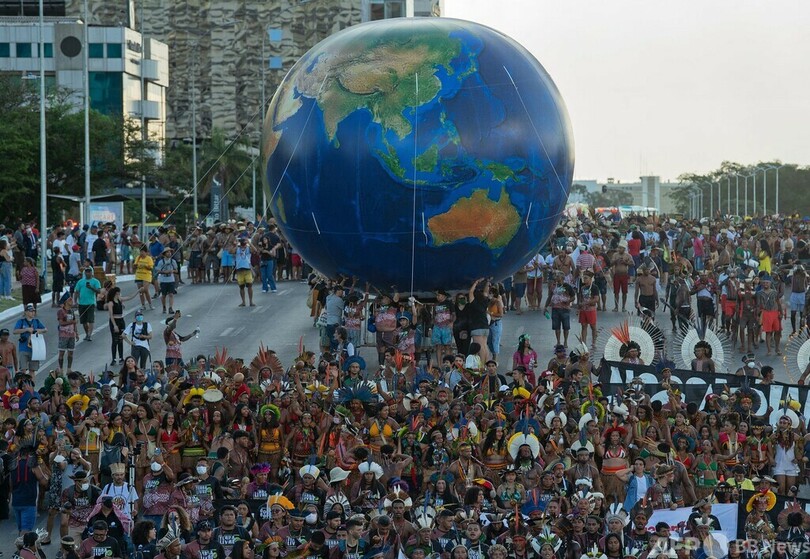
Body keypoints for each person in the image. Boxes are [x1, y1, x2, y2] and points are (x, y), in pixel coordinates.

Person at [106, 287, 141, 365]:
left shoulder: (120, 300)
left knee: (121, 339)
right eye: (118, 293)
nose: (119, 295)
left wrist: (137, 291)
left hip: (121, 320)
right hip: (114, 320)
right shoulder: (111, 303)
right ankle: (114, 358)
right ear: (115, 294)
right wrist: (114, 325)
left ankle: (121, 358)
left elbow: (129, 297)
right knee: (115, 340)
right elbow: (111, 315)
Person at [12, 303, 47, 372]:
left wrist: (37, 330)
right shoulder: (21, 321)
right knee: (23, 369)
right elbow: (15, 331)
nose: (33, 313)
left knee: (32, 370)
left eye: (33, 311)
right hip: (23, 348)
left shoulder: (36, 321)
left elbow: (45, 329)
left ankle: (32, 382)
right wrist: (26, 329)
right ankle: (24, 382)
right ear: (26, 312)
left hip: (34, 349)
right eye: (31, 311)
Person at [74, 267, 101, 341]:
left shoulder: (95, 281)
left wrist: (91, 288)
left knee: (91, 320)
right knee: (84, 321)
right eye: (86, 272)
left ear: (92, 273)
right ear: (84, 273)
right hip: (81, 303)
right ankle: (87, 333)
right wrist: (75, 301)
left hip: (90, 303)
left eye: (89, 272)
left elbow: (99, 291)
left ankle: (89, 335)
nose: (88, 273)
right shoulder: (80, 282)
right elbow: (76, 291)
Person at [57, 294, 80, 373]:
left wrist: (76, 333)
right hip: (63, 335)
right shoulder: (61, 311)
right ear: (66, 301)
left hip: (71, 335)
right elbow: (61, 323)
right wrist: (72, 321)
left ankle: (69, 369)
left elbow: (74, 324)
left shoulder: (72, 311)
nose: (72, 301)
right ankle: (60, 368)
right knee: (61, 352)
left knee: (71, 352)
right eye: (70, 299)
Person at [155, 247, 179, 314]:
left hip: (171, 280)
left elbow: (176, 270)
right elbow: (158, 271)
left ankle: (170, 307)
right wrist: (164, 272)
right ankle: (164, 307)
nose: (169, 253)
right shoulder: (161, 262)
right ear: (164, 254)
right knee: (164, 295)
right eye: (167, 252)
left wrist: (172, 271)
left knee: (171, 294)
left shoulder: (173, 261)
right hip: (163, 280)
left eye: (170, 252)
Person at [234, 236, 256, 307]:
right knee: (241, 287)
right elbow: (230, 251)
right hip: (239, 269)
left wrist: (249, 243)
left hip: (247, 269)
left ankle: (251, 301)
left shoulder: (248, 249)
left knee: (249, 286)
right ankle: (243, 302)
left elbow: (255, 250)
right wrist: (236, 245)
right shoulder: (237, 249)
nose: (243, 244)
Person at [134, 245, 155, 310]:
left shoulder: (149, 258)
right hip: (139, 275)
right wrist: (136, 264)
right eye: (140, 252)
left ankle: (150, 304)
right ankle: (143, 305)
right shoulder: (138, 257)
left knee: (145, 290)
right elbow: (134, 266)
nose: (141, 253)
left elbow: (151, 268)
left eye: (143, 252)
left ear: (146, 252)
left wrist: (145, 266)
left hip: (146, 276)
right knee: (140, 291)